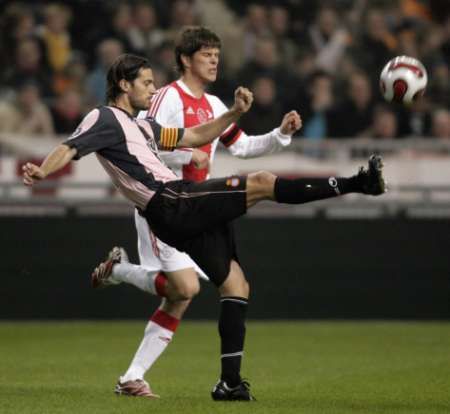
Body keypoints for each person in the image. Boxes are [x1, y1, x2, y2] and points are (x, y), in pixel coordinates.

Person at [22, 53, 386, 401]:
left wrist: (233, 113)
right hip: (169, 202)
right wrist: (42, 169)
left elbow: (194, 137)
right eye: (145, 83)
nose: (152, 89)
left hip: (177, 207)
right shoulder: (103, 118)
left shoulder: (143, 125)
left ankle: (229, 384)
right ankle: (358, 183)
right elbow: (69, 148)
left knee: (235, 284)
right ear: (122, 83)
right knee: (260, 182)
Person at [91, 26, 302, 401]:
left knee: (179, 295)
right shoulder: (166, 97)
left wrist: (279, 134)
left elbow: (243, 146)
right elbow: (142, 143)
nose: (214, 60)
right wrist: (189, 154)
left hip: (196, 208)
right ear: (186, 59)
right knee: (184, 287)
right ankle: (120, 272)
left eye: (217, 55)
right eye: (206, 54)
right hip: (163, 203)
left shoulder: (217, 105)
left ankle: (131, 376)